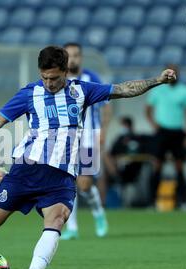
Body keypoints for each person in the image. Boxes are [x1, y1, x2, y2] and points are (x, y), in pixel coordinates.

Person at [0, 46, 177, 269]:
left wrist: (157, 80)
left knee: (57, 219)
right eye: (44, 77)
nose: (49, 83)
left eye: (54, 78)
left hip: (62, 175)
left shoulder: (82, 91)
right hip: (29, 167)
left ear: (65, 71)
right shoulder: (29, 94)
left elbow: (123, 89)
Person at [61, 42, 112, 240]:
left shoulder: (91, 78)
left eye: (76, 55)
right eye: (69, 55)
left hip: (88, 139)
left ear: (81, 57)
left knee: (84, 184)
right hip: (64, 141)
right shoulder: (58, 80)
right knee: (67, 185)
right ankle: (72, 228)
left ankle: (98, 213)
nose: (73, 59)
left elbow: (107, 106)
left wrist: (103, 131)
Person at [145, 64, 186, 208]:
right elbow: (148, 110)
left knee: (179, 167)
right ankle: (152, 201)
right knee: (157, 166)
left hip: (178, 132)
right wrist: (154, 125)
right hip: (162, 132)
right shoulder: (158, 90)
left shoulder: (184, 91)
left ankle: (183, 200)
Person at [100, 117, 144, 206]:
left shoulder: (137, 138)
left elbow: (141, 152)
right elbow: (112, 153)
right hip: (119, 167)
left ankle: (116, 176)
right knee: (103, 171)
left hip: (133, 168)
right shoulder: (119, 139)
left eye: (124, 125)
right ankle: (103, 202)